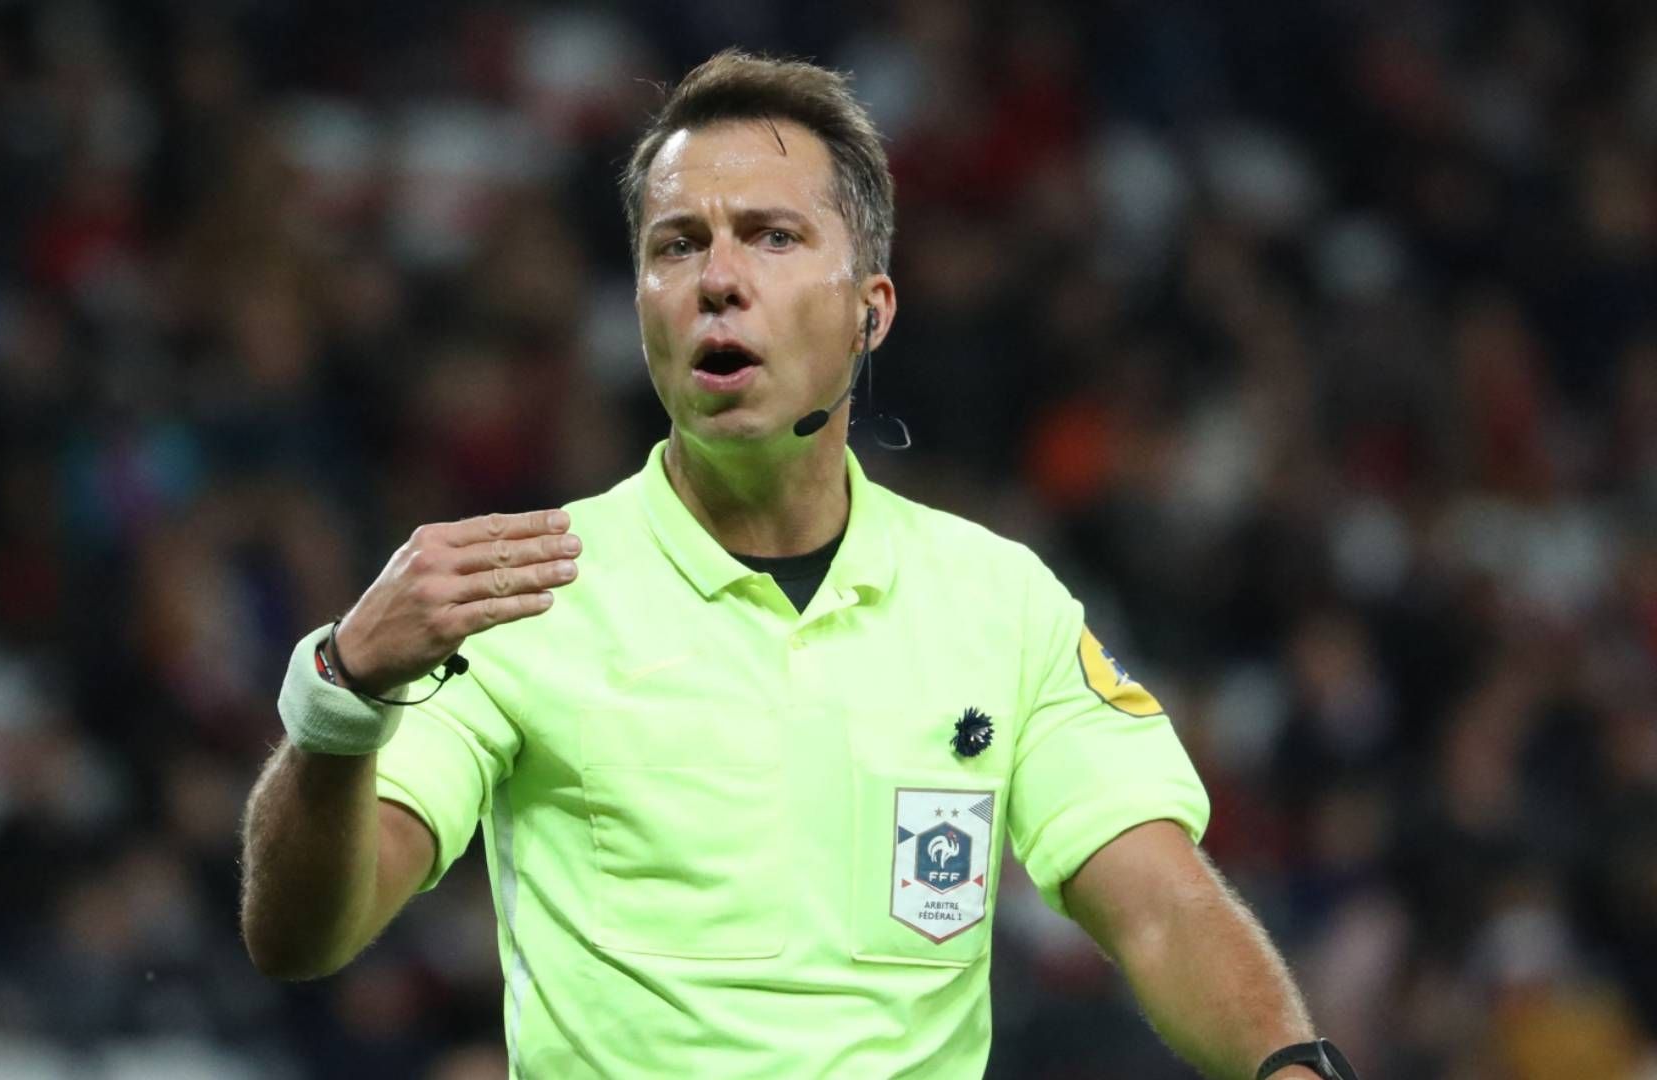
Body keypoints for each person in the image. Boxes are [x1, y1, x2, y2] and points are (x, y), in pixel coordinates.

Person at [241, 49, 1356, 1080]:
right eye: (678, 245)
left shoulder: (997, 602)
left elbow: (1160, 907)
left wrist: (1294, 1069)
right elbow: (299, 937)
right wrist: (342, 691)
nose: (718, 279)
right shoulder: (521, 593)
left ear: (871, 311)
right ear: (642, 307)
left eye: (772, 237)